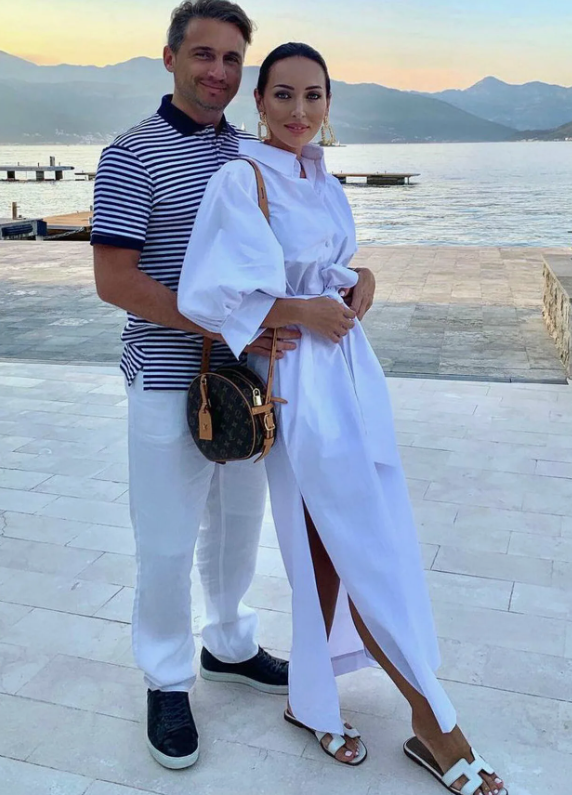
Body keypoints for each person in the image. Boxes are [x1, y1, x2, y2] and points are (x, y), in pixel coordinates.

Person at [177, 42, 509, 795]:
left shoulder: (320, 176)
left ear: (329, 103)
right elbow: (206, 291)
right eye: (284, 95)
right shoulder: (240, 177)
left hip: (350, 374)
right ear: (258, 101)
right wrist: (298, 310)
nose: (300, 111)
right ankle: (436, 724)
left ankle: (311, 698)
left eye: (314, 96)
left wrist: (362, 278)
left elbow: (328, 267)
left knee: (335, 545)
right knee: (360, 545)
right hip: (297, 385)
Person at [90, 1, 344, 772]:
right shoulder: (131, 155)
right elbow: (115, 280)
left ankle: (229, 643)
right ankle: (167, 677)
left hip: (253, 378)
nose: (218, 72)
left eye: (233, 59)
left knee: (238, 524)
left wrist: (354, 277)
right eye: (203, 54)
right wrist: (229, 323)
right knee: (168, 537)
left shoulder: (254, 152)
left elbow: (301, 250)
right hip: (170, 374)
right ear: (170, 57)